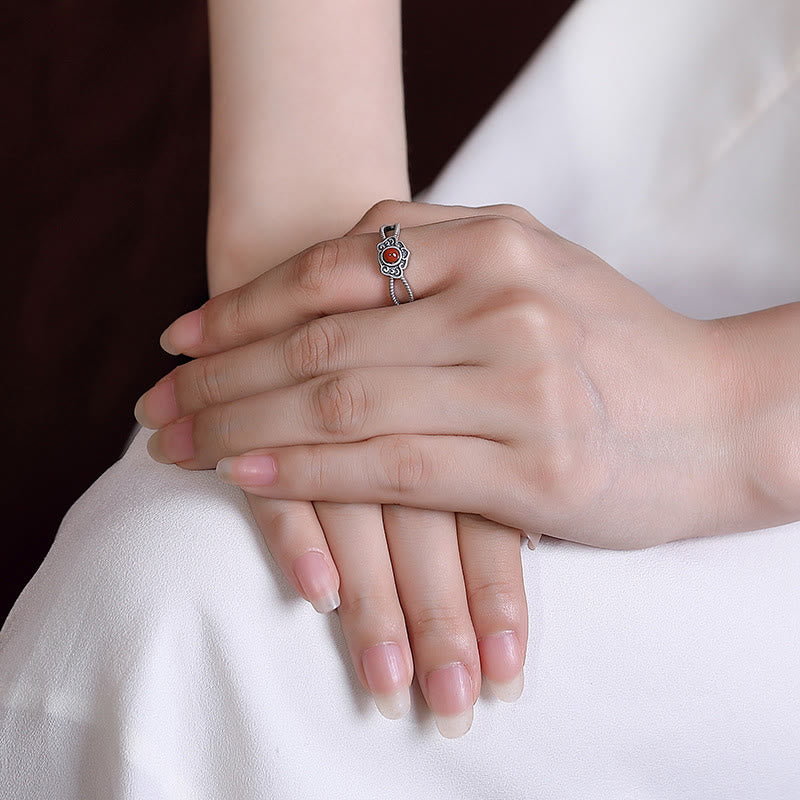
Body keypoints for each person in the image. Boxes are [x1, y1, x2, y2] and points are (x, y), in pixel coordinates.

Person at [2, 0, 799, 797]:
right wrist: (313, 234)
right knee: (174, 571)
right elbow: (338, 227)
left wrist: (735, 410)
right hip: (651, 97)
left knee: (207, 622)